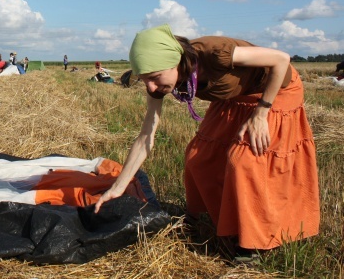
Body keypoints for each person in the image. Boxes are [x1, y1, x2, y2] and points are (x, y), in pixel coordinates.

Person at [94, 24, 319, 255]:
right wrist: (118, 187)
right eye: (144, 80)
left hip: (275, 90)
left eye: (154, 77)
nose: (151, 86)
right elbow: (146, 136)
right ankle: (204, 218)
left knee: (244, 162)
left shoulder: (215, 53)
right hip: (234, 95)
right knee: (197, 157)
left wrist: (261, 113)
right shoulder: (158, 84)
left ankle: (253, 243)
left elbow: (281, 60)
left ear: (176, 61)